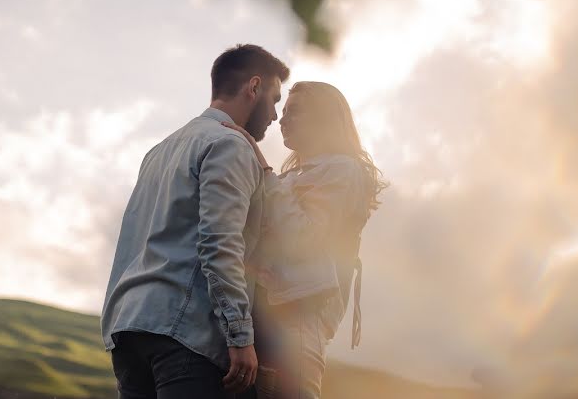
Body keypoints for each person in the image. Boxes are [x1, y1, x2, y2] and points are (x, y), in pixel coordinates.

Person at [101, 44, 289, 398]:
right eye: (275, 100)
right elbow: (220, 241)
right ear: (254, 87)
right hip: (185, 334)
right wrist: (239, 335)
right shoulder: (229, 145)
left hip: (128, 329)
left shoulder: (159, 151)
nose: (276, 116)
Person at [223, 81, 385, 399]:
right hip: (264, 324)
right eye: (283, 113)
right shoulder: (292, 177)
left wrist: (264, 169)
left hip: (294, 330)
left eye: (294, 112)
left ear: (325, 119)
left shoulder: (344, 171)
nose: (282, 120)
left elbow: (304, 237)